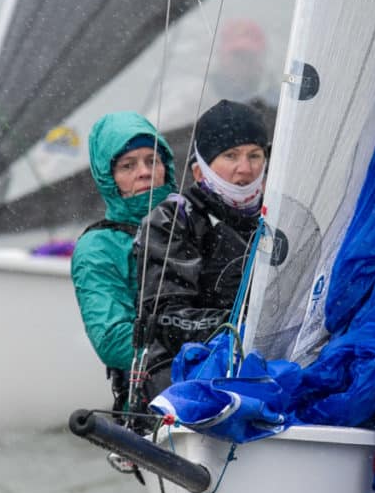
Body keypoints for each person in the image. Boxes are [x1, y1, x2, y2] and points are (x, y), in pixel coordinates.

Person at [132, 99, 270, 401]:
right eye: (230, 155)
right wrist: (244, 326)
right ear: (199, 171)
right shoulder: (172, 220)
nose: (245, 169)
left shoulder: (282, 219)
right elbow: (166, 319)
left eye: (254, 155)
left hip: (268, 358)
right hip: (181, 367)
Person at [70, 111, 176, 405]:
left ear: (165, 166)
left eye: (151, 160)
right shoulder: (98, 248)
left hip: (224, 387)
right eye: (128, 165)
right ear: (109, 178)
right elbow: (112, 339)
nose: (143, 172)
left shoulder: (198, 223)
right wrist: (194, 350)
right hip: (150, 405)